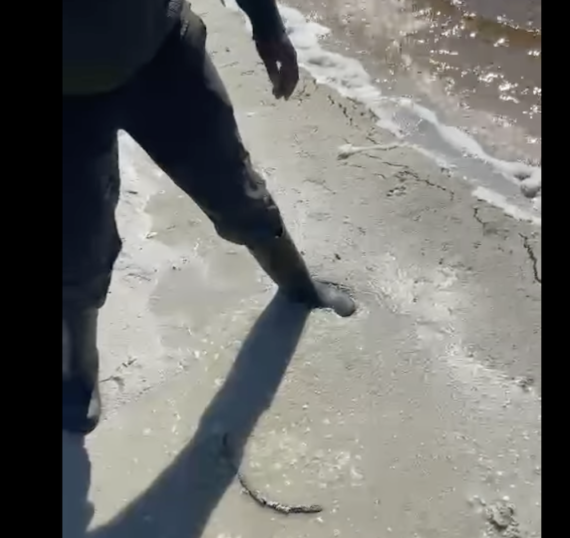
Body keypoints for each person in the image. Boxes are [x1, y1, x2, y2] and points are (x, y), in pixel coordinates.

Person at [63, 0, 356, 435]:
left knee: (235, 189)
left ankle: (298, 285)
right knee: (77, 244)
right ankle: (78, 368)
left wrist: (266, 23)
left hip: (163, 53)